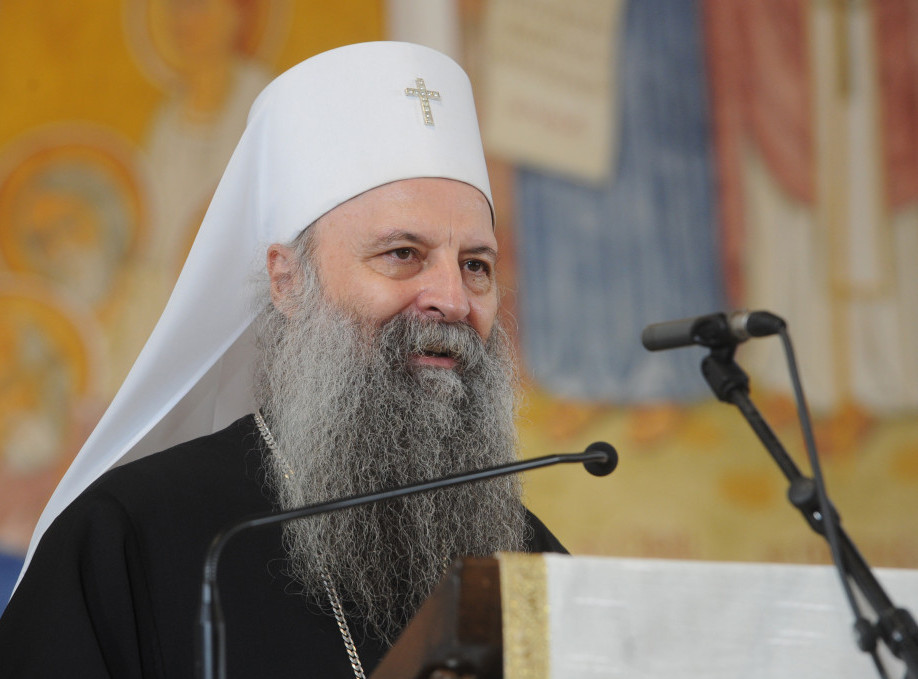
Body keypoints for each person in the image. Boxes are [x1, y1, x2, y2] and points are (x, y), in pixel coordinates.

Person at [0, 42, 565, 677]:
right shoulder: (131, 539)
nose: (453, 300)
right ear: (288, 281)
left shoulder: (528, 561)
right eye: (403, 254)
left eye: (476, 266)